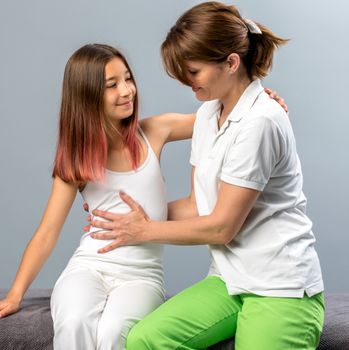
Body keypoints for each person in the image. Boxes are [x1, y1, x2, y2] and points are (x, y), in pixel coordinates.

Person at [88, 2, 324, 349]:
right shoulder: (208, 114)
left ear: (231, 63)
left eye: (193, 72)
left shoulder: (261, 122)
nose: (187, 81)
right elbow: (198, 206)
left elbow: (221, 227)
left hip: (281, 288)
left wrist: (145, 230)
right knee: (144, 340)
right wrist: (124, 220)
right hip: (228, 282)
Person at [0, 43, 196, 349]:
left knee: (115, 331)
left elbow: (216, 117)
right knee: (74, 322)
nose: (127, 91)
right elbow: (47, 233)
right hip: (88, 268)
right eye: (112, 85)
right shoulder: (77, 160)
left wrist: (258, 99)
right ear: (87, 96)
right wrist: (14, 295)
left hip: (142, 276)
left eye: (128, 79)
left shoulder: (154, 131)